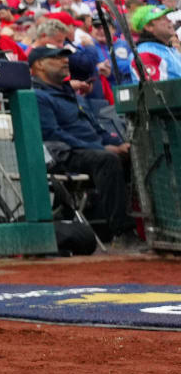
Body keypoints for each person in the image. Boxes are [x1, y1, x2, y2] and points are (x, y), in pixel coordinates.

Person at [30, 44, 134, 245]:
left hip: (89, 152)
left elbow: (96, 128)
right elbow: (53, 134)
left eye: (65, 56)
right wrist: (102, 148)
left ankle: (149, 226)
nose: (65, 60)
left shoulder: (70, 93)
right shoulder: (37, 96)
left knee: (136, 156)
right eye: (58, 57)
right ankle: (123, 233)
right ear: (40, 64)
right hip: (62, 155)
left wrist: (120, 143)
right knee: (108, 159)